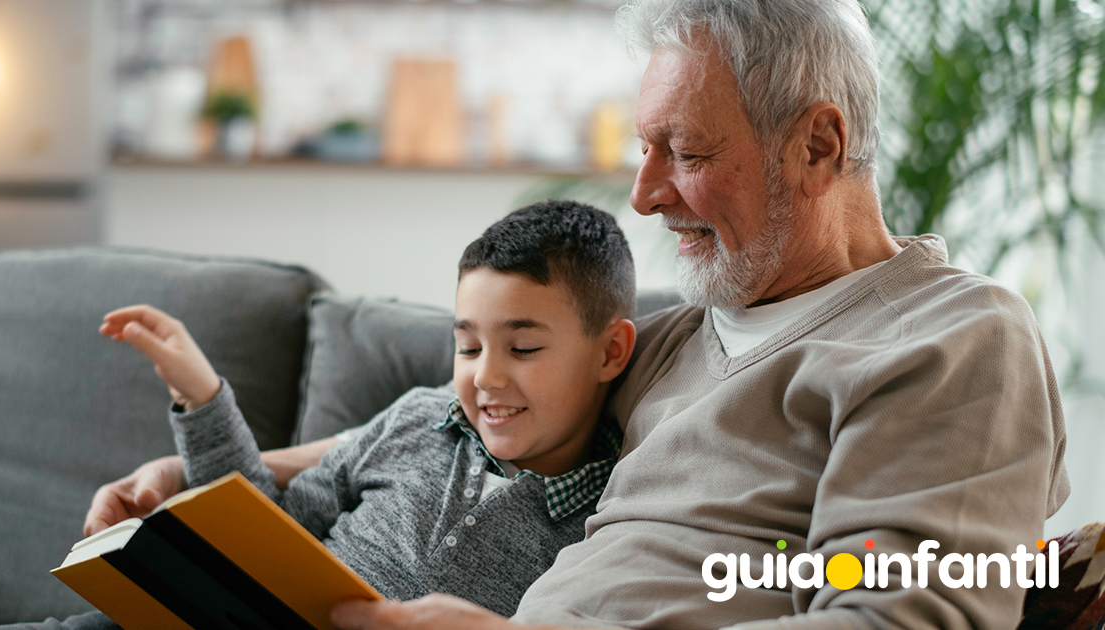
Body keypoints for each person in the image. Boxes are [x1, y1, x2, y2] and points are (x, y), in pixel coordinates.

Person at [87, 0, 1072, 628]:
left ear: (818, 147)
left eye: (686, 152)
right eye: (644, 150)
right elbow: (446, 420)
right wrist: (205, 473)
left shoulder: (950, 341)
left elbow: (890, 617)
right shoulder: (670, 338)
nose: (643, 195)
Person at [0, 201, 638, 630]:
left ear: (610, 351)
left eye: (523, 349)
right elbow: (266, 526)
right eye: (467, 347)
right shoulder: (417, 420)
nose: (485, 376)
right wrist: (200, 394)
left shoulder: (611, 520)